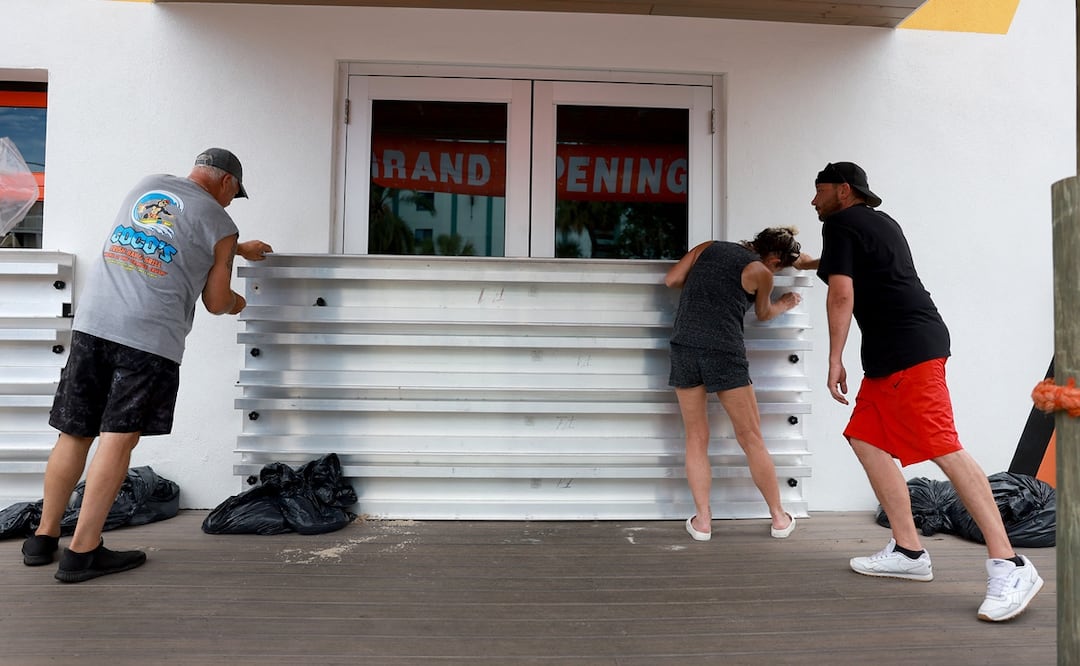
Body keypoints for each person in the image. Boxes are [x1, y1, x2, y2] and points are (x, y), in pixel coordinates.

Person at [20, 148, 273, 583]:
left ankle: (43, 537)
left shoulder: (147, 184)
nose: (231, 203)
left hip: (93, 322)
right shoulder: (221, 224)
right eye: (234, 194)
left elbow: (174, 235)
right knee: (117, 439)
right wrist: (238, 302)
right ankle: (82, 552)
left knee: (75, 431)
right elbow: (214, 301)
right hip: (147, 338)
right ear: (228, 182)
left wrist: (236, 248)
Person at [806, 161, 1042, 622]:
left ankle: (1010, 564)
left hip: (909, 350)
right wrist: (809, 261)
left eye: (818, 192)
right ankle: (909, 551)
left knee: (943, 446)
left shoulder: (840, 223)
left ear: (843, 191)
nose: (813, 201)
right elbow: (853, 264)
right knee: (866, 439)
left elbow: (840, 294)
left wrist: (834, 357)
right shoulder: (876, 222)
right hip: (896, 353)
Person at [665, 227, 809, 542]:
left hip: (684, 346)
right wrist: (785, 302)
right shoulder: (761, 272)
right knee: (751, 438)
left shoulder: (708, 247)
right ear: (773, 258)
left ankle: (703, 521)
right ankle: (779, 518)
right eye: (779, 266)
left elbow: (671, 280)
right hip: (724, 351)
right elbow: (763, 313)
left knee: (696, 438)